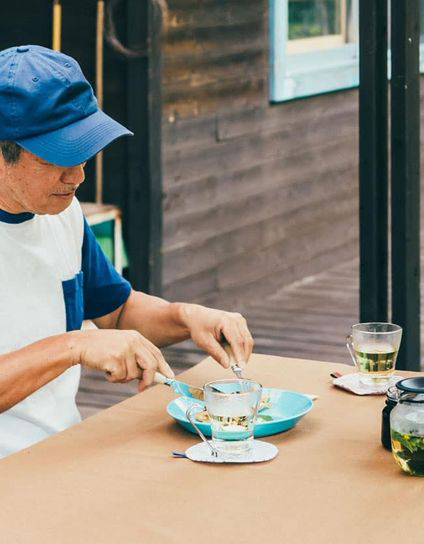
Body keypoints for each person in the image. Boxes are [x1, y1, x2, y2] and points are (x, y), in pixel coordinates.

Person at [0, 45, 254, 457]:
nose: (78, 174)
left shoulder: (62, 213)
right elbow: (80, 342)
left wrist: (185, 317)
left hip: (59, 451)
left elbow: (115, 311)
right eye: (58, 157)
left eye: (84, 151)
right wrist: (74, 346)